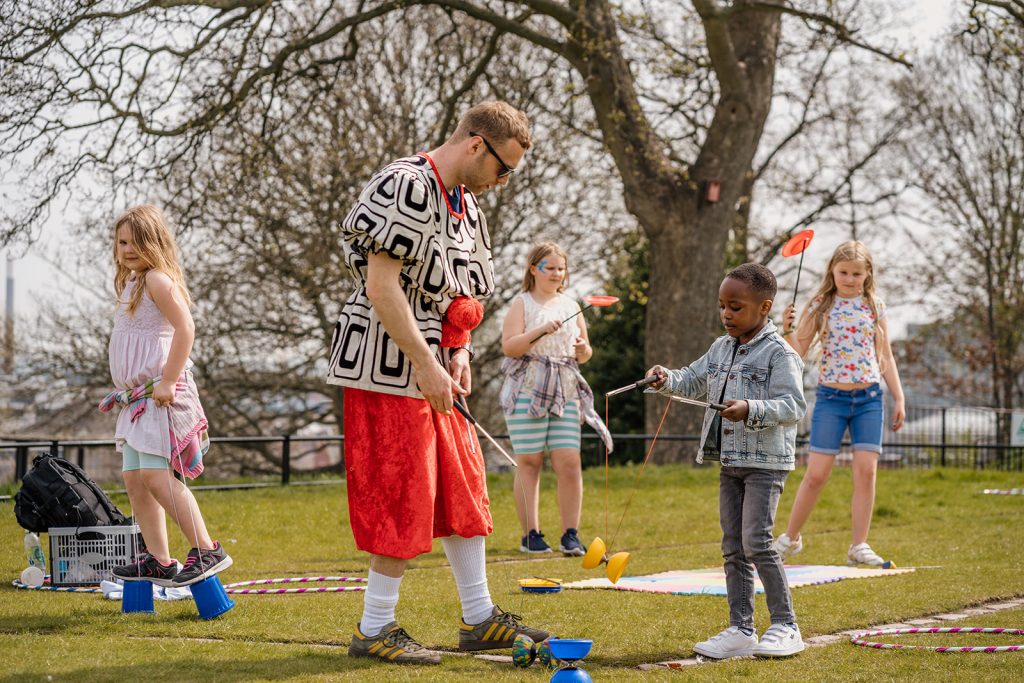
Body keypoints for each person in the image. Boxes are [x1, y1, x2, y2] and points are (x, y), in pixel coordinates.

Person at [326, 101, 548, 665]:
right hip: (387, 366)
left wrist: (460, 352)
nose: (503, 182)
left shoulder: (467, 205)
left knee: (462, 484)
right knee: (403, 491)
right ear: (477, 144)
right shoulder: (405, 184)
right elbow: (381, 286)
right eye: (504, 168)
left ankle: (478, 619)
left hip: (437, 367)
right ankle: (374, 628)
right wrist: (424, 361)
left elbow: (463, 296)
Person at [646, 263, 807, 659]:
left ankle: (786, 626)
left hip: (766, 463)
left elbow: (794, 405)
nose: (726, 315)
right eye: (722, 306)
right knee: (733, 546)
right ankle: (741, 629)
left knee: (757, 543)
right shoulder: (720, 347)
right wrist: (665, 378)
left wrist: (750, 407)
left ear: (764, 307)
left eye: (735, 307)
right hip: (729, 460)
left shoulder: (780, 353)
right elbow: (692, 378)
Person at [102, 205, 232, 589]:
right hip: (136, 401)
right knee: (134, 478)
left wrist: (169, 380)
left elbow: (185, 328)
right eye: (121, 241)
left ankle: (207, 548)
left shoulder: (158, 279)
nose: (127, 249)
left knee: (157, 477)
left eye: (135, 241)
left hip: (160, 397)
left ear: (154, 242)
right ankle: (159, 560)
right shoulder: (133, 283)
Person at [773, 240, 905, 567]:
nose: (849, 278)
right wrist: (786, 327)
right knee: (816, 474)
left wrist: (899, 397)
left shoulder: (875, 306)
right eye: (843, 271)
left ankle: (859, 546)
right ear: (832, 270)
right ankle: (790, 539)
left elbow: (885, 355)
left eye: (856, 273)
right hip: (831, 398)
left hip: (870, 399)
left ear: (867, 274)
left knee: (866, 472)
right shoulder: (821, 304)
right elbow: (796, 353)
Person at [499, 242, 612, 556]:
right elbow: (510, 347)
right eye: (549, 267)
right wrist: (540, 332)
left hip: (565, 390)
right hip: (527, 390)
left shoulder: (571, 304)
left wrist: (582, 350)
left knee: (570, 463)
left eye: (561, 268)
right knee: (530, 462)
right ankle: (531, 535)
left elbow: (585, 351)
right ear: (533, 269)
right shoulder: (522, 304)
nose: (556, 273)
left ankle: (570, 535)